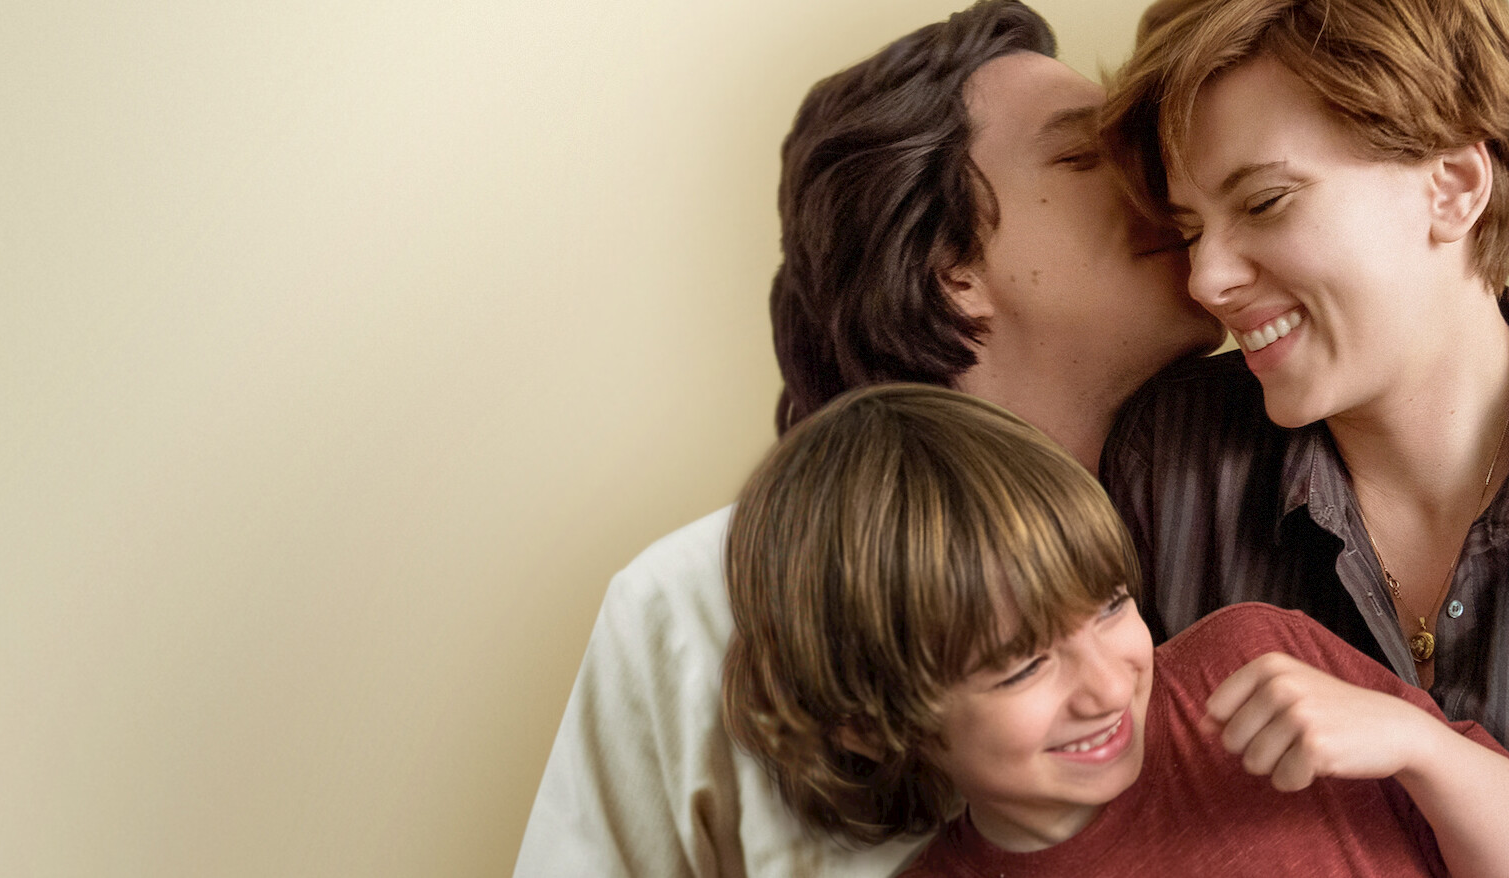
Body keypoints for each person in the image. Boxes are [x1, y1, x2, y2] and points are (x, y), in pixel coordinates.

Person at [512, 2, 1221, 874]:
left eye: (1109, 604)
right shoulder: (695, 605)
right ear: (949, 268)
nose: (1166, 175)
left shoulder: (1275, 506)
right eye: (1082, 155)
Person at [1096, 1, 1509, 875]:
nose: (1206, 280)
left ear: (1454, 187)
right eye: (1189, 231)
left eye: (1265, 202)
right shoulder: (1168, 464)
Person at [722, 382, 1509, 877]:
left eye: (1108, 607)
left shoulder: (1257, 660)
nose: (1105, 684)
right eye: (1021, 668)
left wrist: (1419, 747)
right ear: (869, 725)